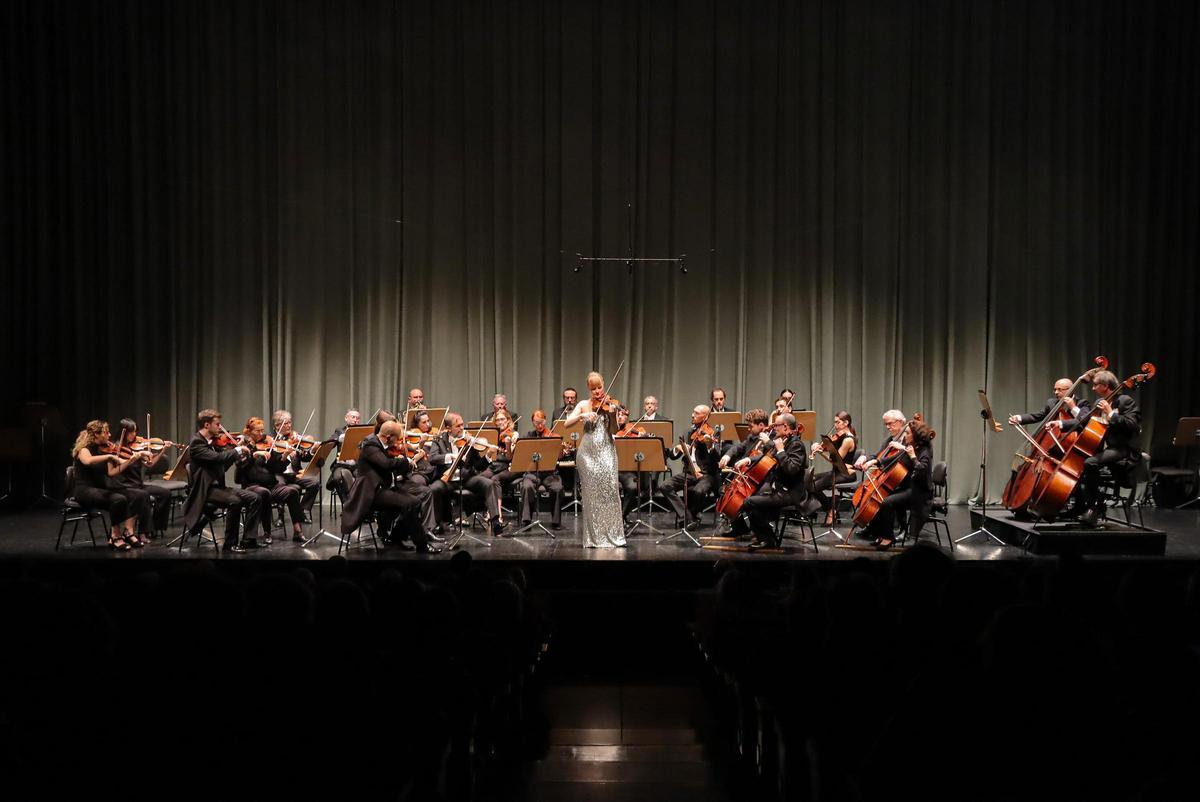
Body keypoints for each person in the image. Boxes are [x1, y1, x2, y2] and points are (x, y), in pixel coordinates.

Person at [1046, 369, 1142, 525]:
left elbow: (1133, 426)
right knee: (1077, 463)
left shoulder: (1125, 401)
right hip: (1107, 448)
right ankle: (1080, 506)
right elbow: (1085, 421)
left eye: (1095, 385)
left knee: (1090, 463)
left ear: (1105, 386)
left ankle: (1096, 506)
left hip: (1124, 449)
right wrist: (1060, 423)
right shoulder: (1100, 402)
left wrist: (1111, 413)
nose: (1092, 388)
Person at [340, 420, 439, 552]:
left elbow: (392, 466)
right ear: (388, 437)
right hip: (372, 493)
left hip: (384, 488)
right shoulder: (371, 445)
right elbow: (386, 464)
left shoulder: (383, 446)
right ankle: (422, 545)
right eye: (396, 439)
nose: (398, 442)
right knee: (409, 504)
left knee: (415, 501)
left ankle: (395, 538)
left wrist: (406, 461)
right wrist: (404, 460)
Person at [181, 409, 261, 553]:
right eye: (217, 424)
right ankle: (229, 545)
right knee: (235, 501)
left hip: (218, 488)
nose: (220, 427)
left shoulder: (211, 443)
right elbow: (218, 458)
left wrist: (239, 452)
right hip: (205, 490)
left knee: (255, 498)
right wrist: (236, 451)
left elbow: (222, 466)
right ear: (206, 425)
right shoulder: (197, 443)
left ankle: (248, 540)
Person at [563, 372, 626, 548]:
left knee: (610, 493)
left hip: (607, 451)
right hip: (587, 454)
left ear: (604, 385)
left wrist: (613, 415)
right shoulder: (584, 404)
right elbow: (566, 423)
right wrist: (583, 416)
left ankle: (614, 535)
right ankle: (593, 538)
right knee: (591, 496)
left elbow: (613, 430)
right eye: (593, 389)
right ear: (588, 389)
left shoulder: (610, 404)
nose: (597, 392)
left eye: (599, 387)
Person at [855, 414, 935, 549]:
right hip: (910, 487)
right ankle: (879, 533)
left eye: (908, 433)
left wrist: (913, 457)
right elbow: (894, 458)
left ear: (916, 435)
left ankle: (888, 538)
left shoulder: (924, 450)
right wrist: (875, 461)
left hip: (920, 491)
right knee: (882, 499)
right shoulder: (910, 445)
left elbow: (922, 470)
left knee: (887, 503)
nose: (905, 436)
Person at [70, 420, 150, 549]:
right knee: (118, 499)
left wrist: (131, 460)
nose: (110, 435)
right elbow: (88, 461)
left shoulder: (104, 449)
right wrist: (109, 457)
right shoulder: (84, 449)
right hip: (84, 490)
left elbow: (112, 472)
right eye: (106, 432)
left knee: (137, 495)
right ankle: (115, 536)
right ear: (96, 434)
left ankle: (128, 532)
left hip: (100, 488)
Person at [736, 413, 809, 549]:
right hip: (779, 489)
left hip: (791, 493)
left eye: (776, 425)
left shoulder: (796, 445)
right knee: (749, 499)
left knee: (749, 502)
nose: (773, 428)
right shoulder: (780, 440)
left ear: (785, 427)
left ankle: (768, 539)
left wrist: (781, 451)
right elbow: (766, 458)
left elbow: (791, 469)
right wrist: (748, 459)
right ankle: (766, 537)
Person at [427, 413, 506, 537]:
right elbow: (433, 458)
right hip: (447, 480)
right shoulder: (439, 440)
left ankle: (496, 522)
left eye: (462, 425)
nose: (462, 428)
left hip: (466, 478)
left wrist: (488, 455)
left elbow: (479, 465)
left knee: (489, 483)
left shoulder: (468, 441)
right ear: (448, 428)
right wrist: (451, 457)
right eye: (458, 426)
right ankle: (435, 525)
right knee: (433, 489)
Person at [237, 417, 305, 543]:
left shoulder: (267, 445)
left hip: (271, 485)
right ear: (250, 432)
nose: (262, 434)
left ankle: (297, 531)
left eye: (262, 430)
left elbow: (277, 466)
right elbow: (240, 469)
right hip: (251, 486)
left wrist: (284, 456)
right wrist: (254, 455)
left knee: (292, 491)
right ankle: (267, 532)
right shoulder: (244, 448)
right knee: (264, 493)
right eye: (258, 431)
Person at [657, 405, 720, 527]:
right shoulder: (688, 432)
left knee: (699, 491)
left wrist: (709, 446)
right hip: (689, 472)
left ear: (705, 417)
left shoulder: (713, 433)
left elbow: (717, 457)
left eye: (696, 413)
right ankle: (688, 517)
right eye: (693, 412)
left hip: (706, 474)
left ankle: (690, 516)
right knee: (665, 486)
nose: (692, 415)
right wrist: (677, 449)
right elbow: (673, 456)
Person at [110, 418, 174, 539]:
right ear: (123, 432)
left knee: (165, 493)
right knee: (143, 496)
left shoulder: (137, 447)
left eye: (135, 432)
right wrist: (136, 456)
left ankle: (155, 527)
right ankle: (143, 532)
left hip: (138, 484)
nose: (134, 435)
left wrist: (163, 450)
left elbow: (150, 464)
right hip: (124, 485)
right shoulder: (117, 449)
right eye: (131, 432)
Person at [271, 409, 320, 520]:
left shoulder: (295, 438)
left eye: (290, 422)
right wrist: (285, 453)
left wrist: (312, 450)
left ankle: (301, 511)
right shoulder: (271, 439)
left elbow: (305, 458)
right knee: (280, 486)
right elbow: (272, 461)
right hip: (279, 473)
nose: (289, 425)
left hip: (294, 473)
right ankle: (280, 516)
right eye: (286, 423)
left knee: (314, 483)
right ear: (277, 425)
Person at [810, 411, 858, 525]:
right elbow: (830, 449)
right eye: (835, 422)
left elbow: (836, 460)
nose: (835, 425)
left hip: (845, 474)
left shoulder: (848, 440)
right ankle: (831, 507)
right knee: (809, 479)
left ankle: (831, 510)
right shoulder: (839, 437)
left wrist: (821, 452)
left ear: (846, 423)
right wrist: (817, 446)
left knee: (812, 487)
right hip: (836, 472)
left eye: (838, 422)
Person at [519, 409, 564, 529]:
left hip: (550, 473)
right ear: (532, 422)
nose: (540, 425)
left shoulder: (554, 436)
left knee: (558, 488)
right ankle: (527, 520)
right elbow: (523, 455)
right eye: (537, 422)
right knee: (526, 486)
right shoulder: (528, 436)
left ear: (545, 421)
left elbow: (559, 456)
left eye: (542, 422)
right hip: (533, 473)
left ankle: (556, 521)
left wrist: (560, 446)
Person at [327, 408, 362, 504]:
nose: (356, 420)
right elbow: (330, 443)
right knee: (338, 478)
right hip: (341, 465)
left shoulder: (362, 431)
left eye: (358, 418)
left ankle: (359, 506)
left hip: (356, 465)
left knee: (364, 479)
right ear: (346, 418)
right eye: (353, 417)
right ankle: (347, 504)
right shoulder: (339, 431)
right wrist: (338, 438)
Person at [1008, 378, 1074, 426]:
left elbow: (1081, 420)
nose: (1056, 392)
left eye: (1059, 389)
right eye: (1055, 390)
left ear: (1070, 389)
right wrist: (1019, 418)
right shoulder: (1052, 403)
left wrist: (1073, 407)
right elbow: (1037, 416)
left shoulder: (1082, 403)